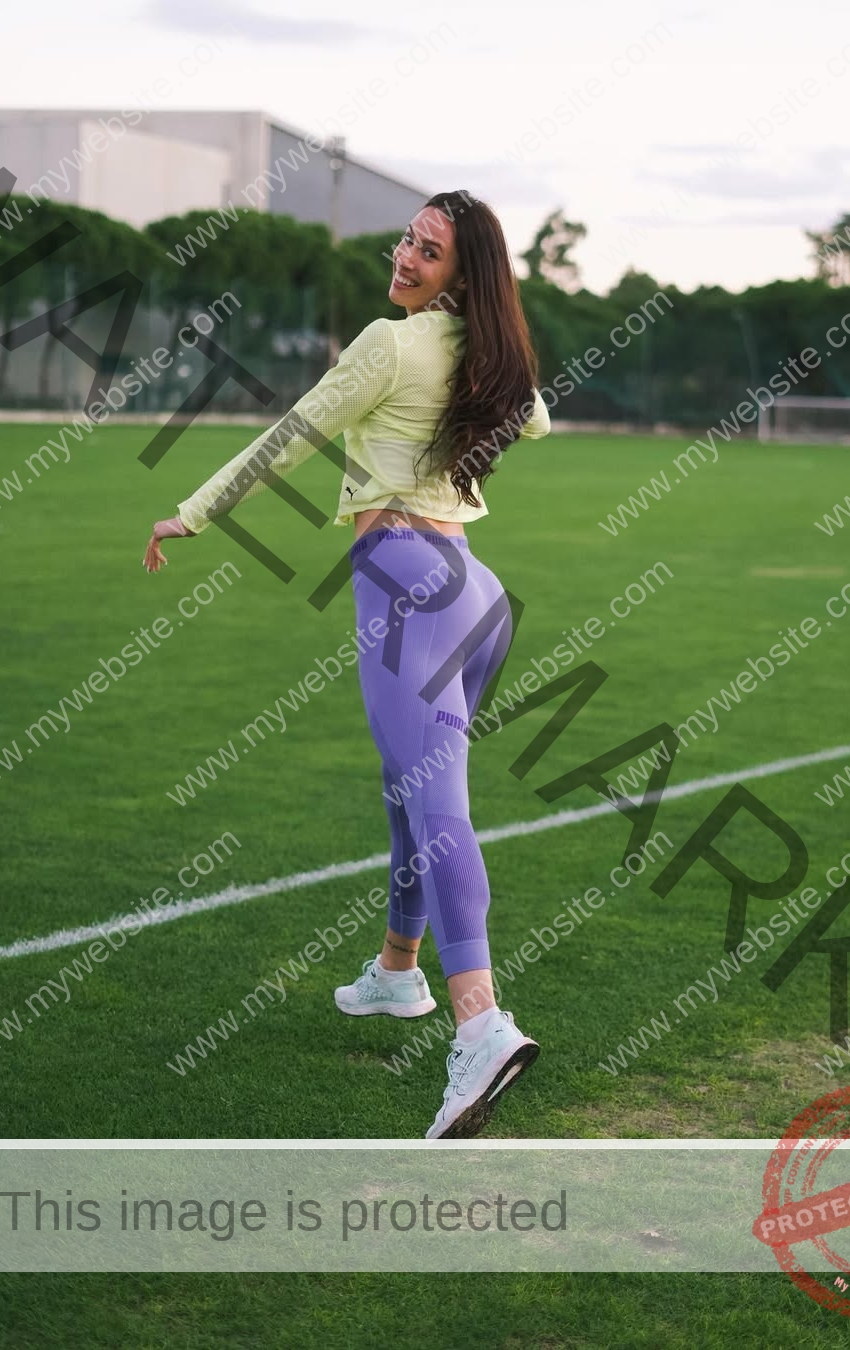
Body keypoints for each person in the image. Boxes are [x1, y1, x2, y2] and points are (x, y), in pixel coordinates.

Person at [143, 190, 551, 1139]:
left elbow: (289, 438)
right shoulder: (487, 351)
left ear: (460, 274)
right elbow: (533, 420)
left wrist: (192, 513)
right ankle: (398, 974)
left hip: (409, 581)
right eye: (408, 237)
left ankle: (481, 1024)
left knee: (436, 805)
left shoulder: (389, 344)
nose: (405, 256)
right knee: (408, 790)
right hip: (478, 595)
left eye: (430, 250)